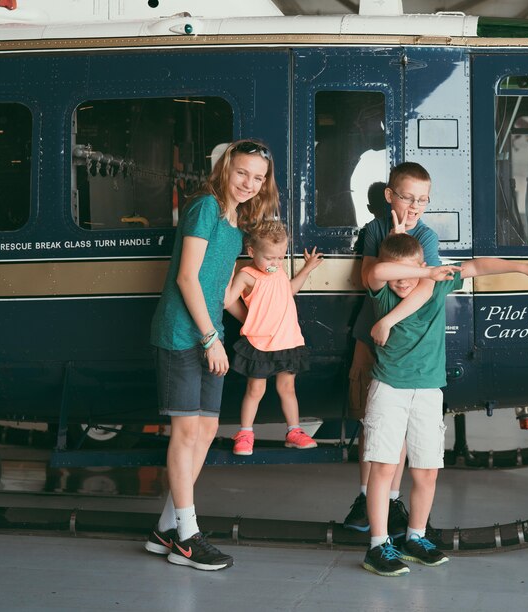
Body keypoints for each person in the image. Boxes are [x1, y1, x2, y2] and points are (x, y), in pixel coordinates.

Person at [361, 233, 528, 576]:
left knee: (427, 471)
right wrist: (423, 272)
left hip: (429, 391)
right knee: (384, 468)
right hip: (389, 389)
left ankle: (415, 538)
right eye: (397, 274)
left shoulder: (435, 285)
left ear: (422, 265)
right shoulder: (382, 290)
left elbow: (477, 265)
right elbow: (380, 271)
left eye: (412, 273)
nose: (402, 281)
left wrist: (524, 267)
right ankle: (378, 545)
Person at [144, 139, 279, 571]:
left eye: (258, 178)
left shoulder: (235, 220)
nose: (249, 184)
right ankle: (188, 536)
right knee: (186, 433)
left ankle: (167, 529)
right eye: (242, 173)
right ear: (225, 169)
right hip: (184, 334)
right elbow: (187, 279)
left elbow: (218, 290)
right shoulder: (205, 207)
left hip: (210, 332)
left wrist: (256, 325)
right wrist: (208, 338)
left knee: (206, 431)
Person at [344, 163, 441, 538]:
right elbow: (367, 277)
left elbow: (426, 288)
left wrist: (388, 320)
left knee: (401, 425)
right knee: (374, 418)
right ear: (389, 196)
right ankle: (368, 497)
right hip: (370, 333)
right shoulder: (375, 230)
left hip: (405, 337)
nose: (414, 206)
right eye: (406, 197)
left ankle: (394, 501)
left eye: (422, 200)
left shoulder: (428, 237)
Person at [224, 220, 324, 455]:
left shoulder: (278, 271)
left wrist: (307, 269)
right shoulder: (247, 275)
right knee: (255, 390)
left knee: (288, 388)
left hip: (287, 340)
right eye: (270, 258)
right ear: (251, 252)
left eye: (280, 258)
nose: (275, 263)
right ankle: (246, 433)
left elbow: (288, 291)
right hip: (260, 342)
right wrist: (250, 319)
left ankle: (294, 431)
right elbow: (228, 301)